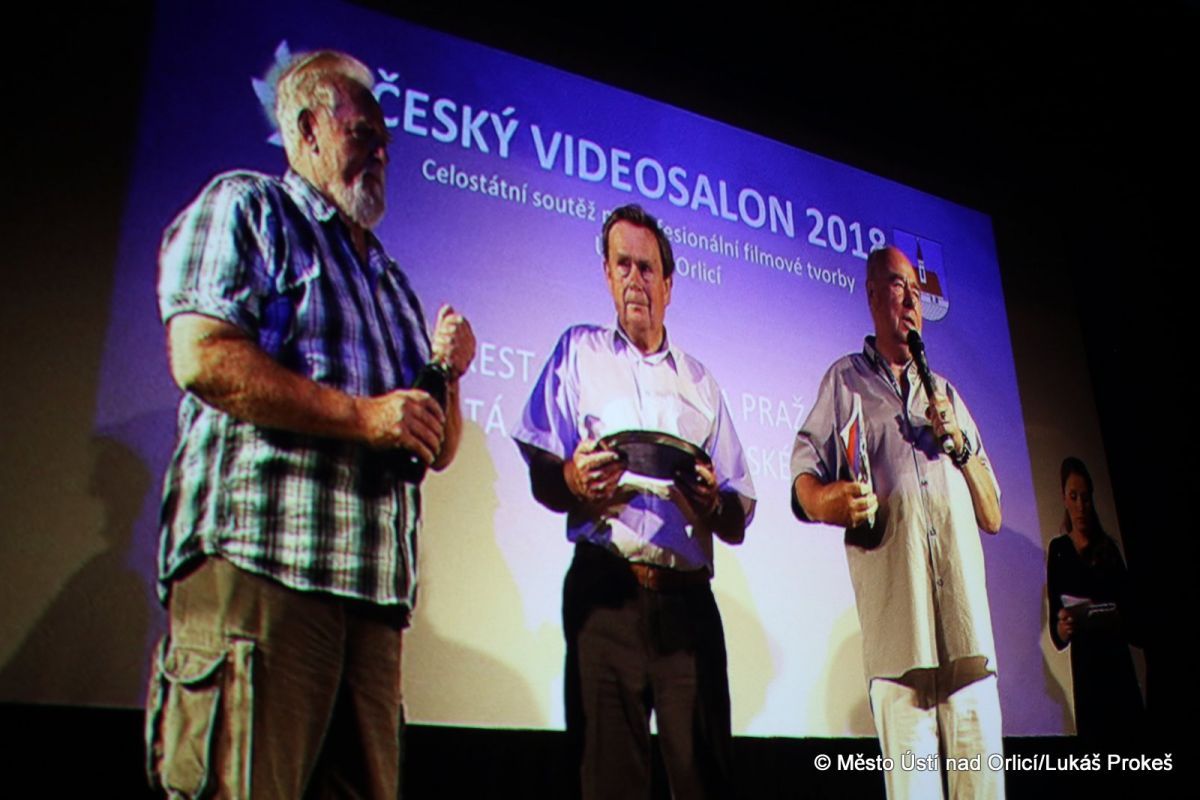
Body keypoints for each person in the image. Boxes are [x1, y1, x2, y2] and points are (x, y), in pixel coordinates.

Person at [145, 50, 476, 798]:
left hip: (372, 604)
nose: (381, 151)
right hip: (262, 573)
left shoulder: (391, 281)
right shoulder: (250, 207)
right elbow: (203, 357)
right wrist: (364, 416)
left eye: (386, 139)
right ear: (306, 130)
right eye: (363, 132)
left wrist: (447, 373)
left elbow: (435, 447)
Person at [513, 204, 755, 799]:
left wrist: (710, 501)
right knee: (608, 782)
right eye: (622, 265)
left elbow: (738, 514)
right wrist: (572, 478)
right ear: (606, 273)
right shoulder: (578, 352)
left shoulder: (701, 382)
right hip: (606, 593)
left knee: (704, 782)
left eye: (646, 269)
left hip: (687, 603)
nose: (634, 280)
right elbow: (543, 473)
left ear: (668, 283)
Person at [790, 245, 1004, 799]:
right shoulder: (844, 382)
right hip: (898, 646)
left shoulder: (946, 393)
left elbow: (993, 513)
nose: (910, 299)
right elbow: (803, 480)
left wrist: (960, 444)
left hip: (966, 637)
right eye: (896, 285)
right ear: (871, 294)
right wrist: (829, 502)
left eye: (915, 289)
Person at [1048, 457, 1144, 741]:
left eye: (1085, 498)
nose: (1080, 506)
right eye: (1073, 497)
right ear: (1064, 498)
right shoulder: (1060, 550)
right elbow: (1057, 631)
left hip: (1117, 666)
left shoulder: (1108, 549)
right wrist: (1062, 627)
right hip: (1088, 671)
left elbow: (1135, 620)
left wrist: (1117, 617)